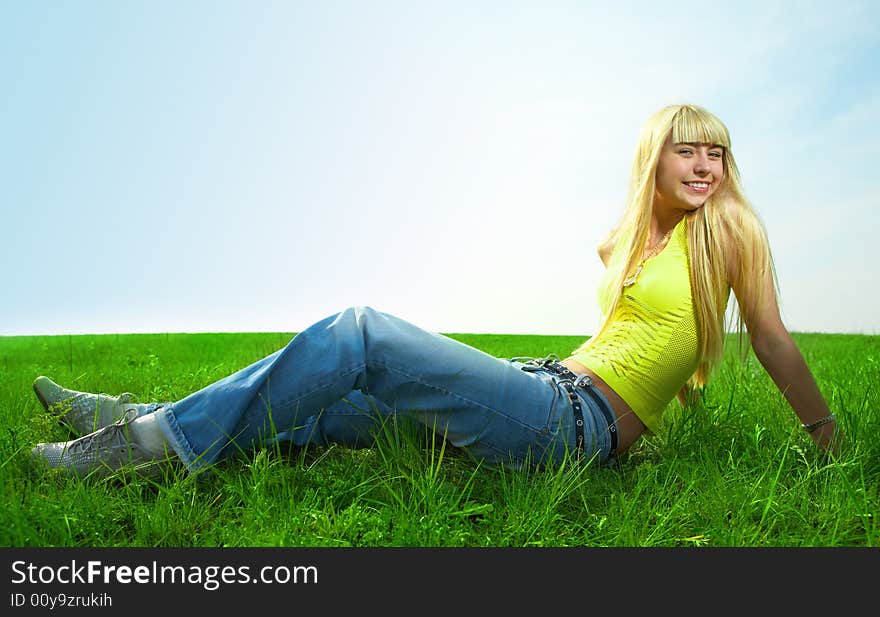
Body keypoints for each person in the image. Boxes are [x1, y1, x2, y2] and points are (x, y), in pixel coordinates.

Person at [29, 103, 838, 479]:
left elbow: (768, 337)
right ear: (653, 159)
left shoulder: (732, 230)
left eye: (718, 155)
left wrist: (827, 436)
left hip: (573, 426)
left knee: (362, 334)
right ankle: (126, 412)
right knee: (321, 405)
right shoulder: (633, 237)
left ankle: (137, 449)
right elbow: (642, 310)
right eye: (687, 152)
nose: (705, 167)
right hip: (545, 381)